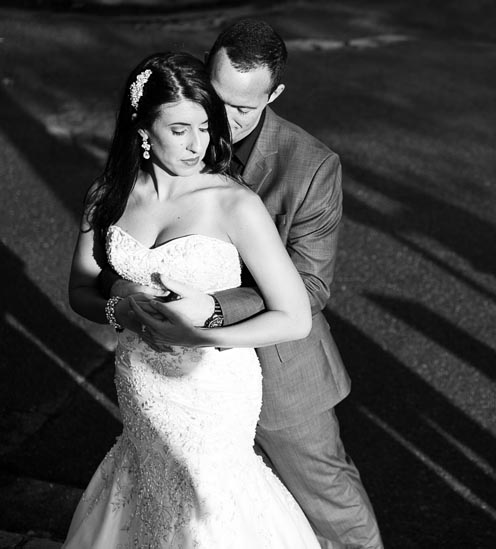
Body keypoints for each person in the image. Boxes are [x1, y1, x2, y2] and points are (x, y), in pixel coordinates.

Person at [103, 20, 384, 549]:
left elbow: (311, 285)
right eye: (218, 97)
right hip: (178, 385)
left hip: (281, 365)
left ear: (273, 94)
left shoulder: (311, 164)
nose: (222, 122)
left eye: (244, 108)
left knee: (330, 509)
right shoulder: (177, 128)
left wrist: (211, 308)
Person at [63, 51, 321, 548]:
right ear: (142, 128)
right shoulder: (108, 196)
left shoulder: (233, 203)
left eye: (204, 126)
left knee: (211, 513)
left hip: (215, 390)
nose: (196, 143)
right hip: (142, 387)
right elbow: (80, 290)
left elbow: (294, 318)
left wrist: (199, 333)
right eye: (179, 129)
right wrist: (120, 305)